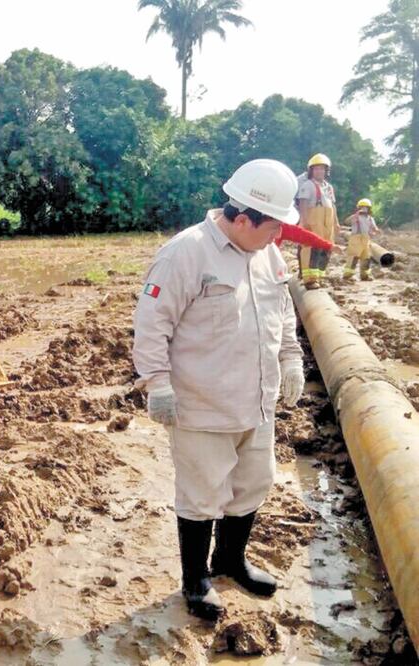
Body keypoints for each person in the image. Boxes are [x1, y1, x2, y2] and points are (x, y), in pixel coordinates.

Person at [132, 159, 304, 621]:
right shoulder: (186, 253)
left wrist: (291, 359)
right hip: (202, 406)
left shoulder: (267, 253)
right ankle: (196, 580)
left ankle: (229, 560)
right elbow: (151, 326)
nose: (279, 236)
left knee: (252, 484)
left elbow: (282, 314)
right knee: (202, 493)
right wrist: (157, 384)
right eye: (274, 226)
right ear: (244, 218)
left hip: (257, 402)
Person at [297, 153, 341, 289]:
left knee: (326, 249)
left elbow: (332, 205)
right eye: (316, 169)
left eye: (322, 169)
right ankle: (309, 279)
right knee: (312, 248)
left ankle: (318, 277)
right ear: (311, 170)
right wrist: (304, 221)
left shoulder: (328, 187)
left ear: (326, 171)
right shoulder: (308, 185)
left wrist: (336, 222)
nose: (319, 171)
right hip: (313, 220)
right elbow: (302, 203)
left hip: (327, 223)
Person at [343, 198, 380, 281]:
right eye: (362, 207)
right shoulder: (355, 217)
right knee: (353, 257)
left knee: (366, 258)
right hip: (356, 238)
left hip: (366, 239)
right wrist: (356, 214)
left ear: (369, 209)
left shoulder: (370, 218)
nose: (364, 209)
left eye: (366, 207)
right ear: (359, 208)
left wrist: (376, 231)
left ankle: (365, 275)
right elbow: (346, 221)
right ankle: (348, 275)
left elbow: (374, 228)